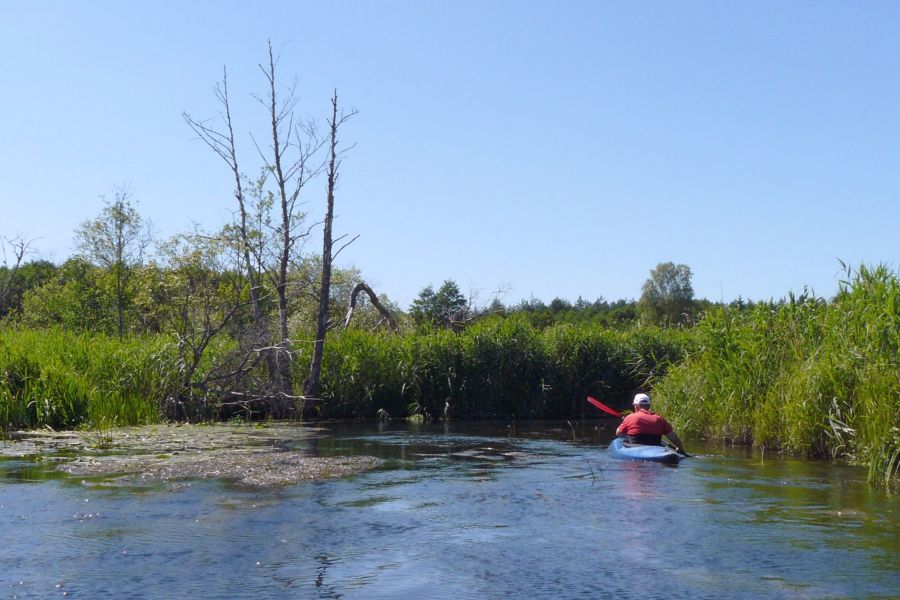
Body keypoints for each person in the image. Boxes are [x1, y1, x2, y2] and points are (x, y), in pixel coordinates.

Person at [616, 393, 687, 454]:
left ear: (636, 406)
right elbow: (674, 438)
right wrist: (680, 449)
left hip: (635, 448)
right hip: (656, 448)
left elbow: (618, 433)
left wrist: (626, 425)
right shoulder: (659, 419)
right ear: (649, 406)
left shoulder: (630, 417)